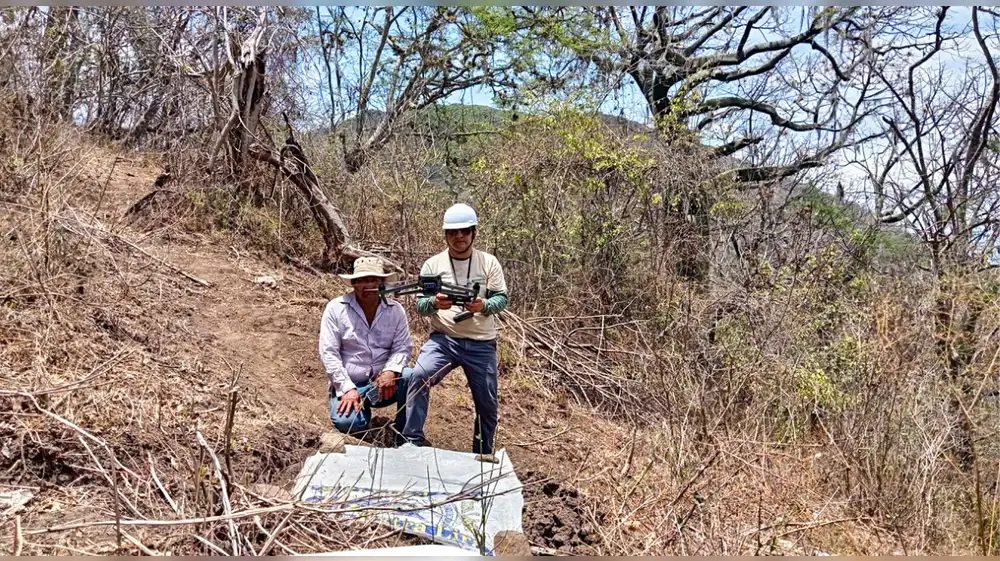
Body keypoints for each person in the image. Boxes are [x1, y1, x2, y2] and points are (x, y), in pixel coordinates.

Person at [401, 203, 509, 457]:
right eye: (453, 232)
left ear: (473, 233)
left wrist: (483, 305)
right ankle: (411, 440)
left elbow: (501, 299)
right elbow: (421, 305)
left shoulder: (488, 263)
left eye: (464, 231)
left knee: (488, 402)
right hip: (444, 339)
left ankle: (482, 454)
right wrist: (435, 303)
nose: (459, 237)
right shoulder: (433, 265)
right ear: (446, 235)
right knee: (419, 376)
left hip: (481, 343)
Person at [319, 256, 413, 439]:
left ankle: (405, 433)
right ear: (354, 283)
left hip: (384, 384)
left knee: (412, 377)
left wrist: (391, 371)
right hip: (350, 382)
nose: (368, 285)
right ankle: (363, 420)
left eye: (373, 280)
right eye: (362, 280)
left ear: (382, 283)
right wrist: (347, 388)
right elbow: (329, 353)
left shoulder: (396, 310)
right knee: (348, 423)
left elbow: (403, 347)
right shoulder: (336, 309)